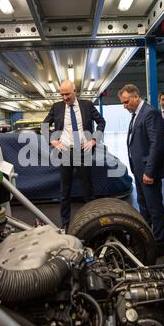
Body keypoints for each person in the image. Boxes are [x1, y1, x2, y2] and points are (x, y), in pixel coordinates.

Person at [44, 80, 105, 231]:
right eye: (62, 94)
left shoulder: (87, 105)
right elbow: (45, 125)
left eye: (67, 94)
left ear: (75, 91)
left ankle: (92, 221)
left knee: (88, 190)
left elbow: (101, 122)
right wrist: (53, 140)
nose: (64, 97)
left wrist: (94, 140)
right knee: (64, 191)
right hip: (65, 152)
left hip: (83, 151)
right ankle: (65, 223)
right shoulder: (57, 107)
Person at [118, 84, 164, 258]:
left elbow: (156, 144)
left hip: (148, 171)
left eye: (126, 102)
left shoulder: (149, 113)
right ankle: (146, 238)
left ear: (136, 97)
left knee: (154, 208)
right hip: (139, 170)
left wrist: (149, 172)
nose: (124, 106)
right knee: (144, 207)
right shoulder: (136, 114)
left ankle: (160, 243)